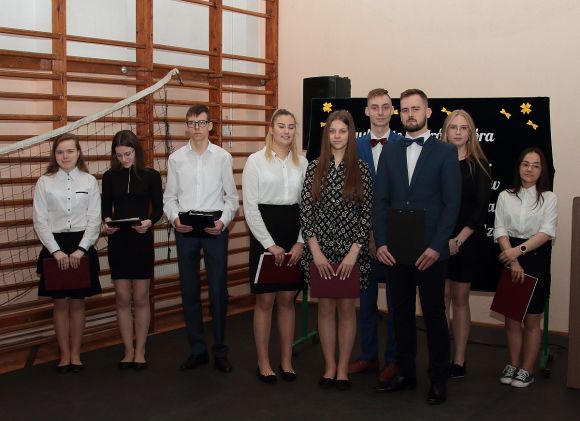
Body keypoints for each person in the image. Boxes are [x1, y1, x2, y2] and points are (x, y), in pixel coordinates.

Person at [373, 89, 461, 404]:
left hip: (431, 252)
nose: (410, 114)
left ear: (428, 112)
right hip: (396, 250)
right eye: (405, 109)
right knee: (400, 314)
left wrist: (437, 247)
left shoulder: (446, 152)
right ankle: (405, 373)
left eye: (416, 109)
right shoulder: (391, 151)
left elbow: (451, 205)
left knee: (434, 316)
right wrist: (381, 242)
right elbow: (380, 202)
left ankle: (438, 379)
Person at [300, 110, 373, 391]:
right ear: (326, 135)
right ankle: (329, 366)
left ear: (350, 134)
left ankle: (343, 368)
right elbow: (306, 213)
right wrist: (316, 252)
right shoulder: (314, 167)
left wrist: (354, 253)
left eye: (342, 131)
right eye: (332, 131)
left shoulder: (361, 169)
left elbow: (367, 215)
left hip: (351, 253)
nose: (337, 136)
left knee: (346, 309)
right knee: (325, 309)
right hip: (320, 251)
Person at [163, 104, 239, 373]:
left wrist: (223, 222)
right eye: (192, 122)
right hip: (185, 228)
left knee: (218, 291)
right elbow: (169, 197)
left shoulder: (222, 157)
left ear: (210, 126)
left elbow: (232, 198)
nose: (196, 127)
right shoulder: (176, 159)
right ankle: (197, 350)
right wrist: (174, 219)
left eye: (201, 122)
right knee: (189, 290)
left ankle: (220, 350)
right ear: (186, 126)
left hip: (214, 227)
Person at [242, 109, 308, 384]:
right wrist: (269, 244)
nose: (286, 131)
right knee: (265, 300)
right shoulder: (255, 161)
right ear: (271, 129)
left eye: (291, 126)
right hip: (264, 235)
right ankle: (263, 362)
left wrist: (301, 241)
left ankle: (286, 361)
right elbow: (250, 207)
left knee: (287, 300)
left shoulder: (303, 162)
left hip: (293, 235)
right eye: (281, 126)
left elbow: (308, 207)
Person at [33, 133, 102, 373]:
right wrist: (56, 252)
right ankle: (64, 355)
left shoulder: (89, 181)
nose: (65, 156)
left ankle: (76, 354)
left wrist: (82, 249)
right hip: (55, 247)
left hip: (82, 245)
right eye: (60, 152)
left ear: (78, 152)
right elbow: (40, 221)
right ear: (54, 155)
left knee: (78, 304)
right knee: (60, 304)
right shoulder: (44, 182)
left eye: (70, 151)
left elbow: (95, 219)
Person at [350, 88, 402, 385]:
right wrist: (367, 234)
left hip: (395, 238)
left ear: (392, 110)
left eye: (385, 107)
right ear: (366, 111)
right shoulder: (354, 146)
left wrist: (384, 236)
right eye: (375, 107)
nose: (380, 112)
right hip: (362, 238)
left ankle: (394, 359)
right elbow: (351, 193)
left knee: (396, 303)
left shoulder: (404, 144)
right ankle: (368, 355)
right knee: (365, 301)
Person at [494, 147, 557, 388]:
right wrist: (513, 260)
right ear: (519, 167)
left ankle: (527, 369)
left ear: (542, 171)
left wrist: (517, 252)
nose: (529, 169)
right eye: (525, 164)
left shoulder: (549, 198)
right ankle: (513, 364)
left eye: (535, 165)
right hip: (510, 257)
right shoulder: (505, 195)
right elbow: (500, 230)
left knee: (531, 319)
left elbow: (546, 233)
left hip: (536, 257)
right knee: (511, 318)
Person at [101, 130, 163, 370]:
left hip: (141, 240)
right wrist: (107, 222)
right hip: (119, 241)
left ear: (136, 151)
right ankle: (128, 349)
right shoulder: (109, 176)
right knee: (123, 297)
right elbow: (105, 208)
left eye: (127, 154)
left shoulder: (151, 175)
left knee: (140, 297)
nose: (124, 159)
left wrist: (148, 222)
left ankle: (140, 349)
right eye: (119, 155)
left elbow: (158, 209)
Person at [441, 110, 492, 378]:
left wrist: (458, 240)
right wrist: (441, 239)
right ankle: (439, 355)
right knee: (440, 298)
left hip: (467, 241)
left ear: (470, 133)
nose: (458, 132)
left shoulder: (479, 165)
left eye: (463, 128)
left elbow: (480, 211)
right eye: (453, 127)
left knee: (460, 298)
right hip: (438, 241)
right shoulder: (437, 162)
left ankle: (459, 359)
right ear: (445, 131)